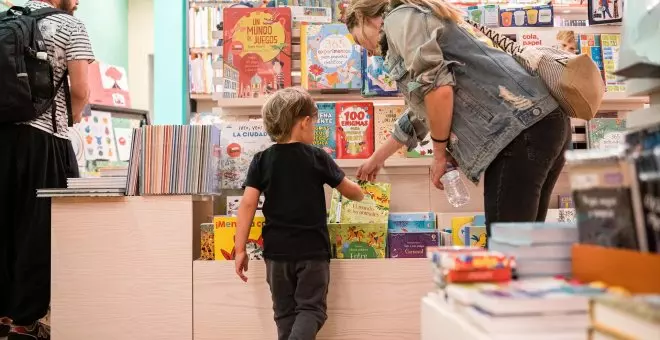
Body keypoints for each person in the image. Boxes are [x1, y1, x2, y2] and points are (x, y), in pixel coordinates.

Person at [345, 0, 571, 236]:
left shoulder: (399, 19)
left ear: (364, 18)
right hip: (542, 124)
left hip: (521, 131)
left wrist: (440, 155)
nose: (369, 52)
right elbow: (421, 112)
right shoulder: (420, 17)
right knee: (523, 249)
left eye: (361, 42)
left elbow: (438, 90)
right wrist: (378, 158)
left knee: (509, 250)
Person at [234, 87, 364, 340]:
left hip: (276, 253)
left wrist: (240, 250)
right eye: (313, 123)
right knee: (312, 310)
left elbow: (247, 205)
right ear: (304, 122)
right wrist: (363, 193)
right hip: (311, 251)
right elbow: (350, 192)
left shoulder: (261, 160)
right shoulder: (316, 156)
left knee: (285, 314)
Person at [0, 0, 94, 339]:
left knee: (5, 226)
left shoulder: (6, 20)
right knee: (44, 230)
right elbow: (81, 90)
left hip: (3, 136)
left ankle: (4, 315)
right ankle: (27, 322)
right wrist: (74, 117)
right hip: (44, 138)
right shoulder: (71, 26)